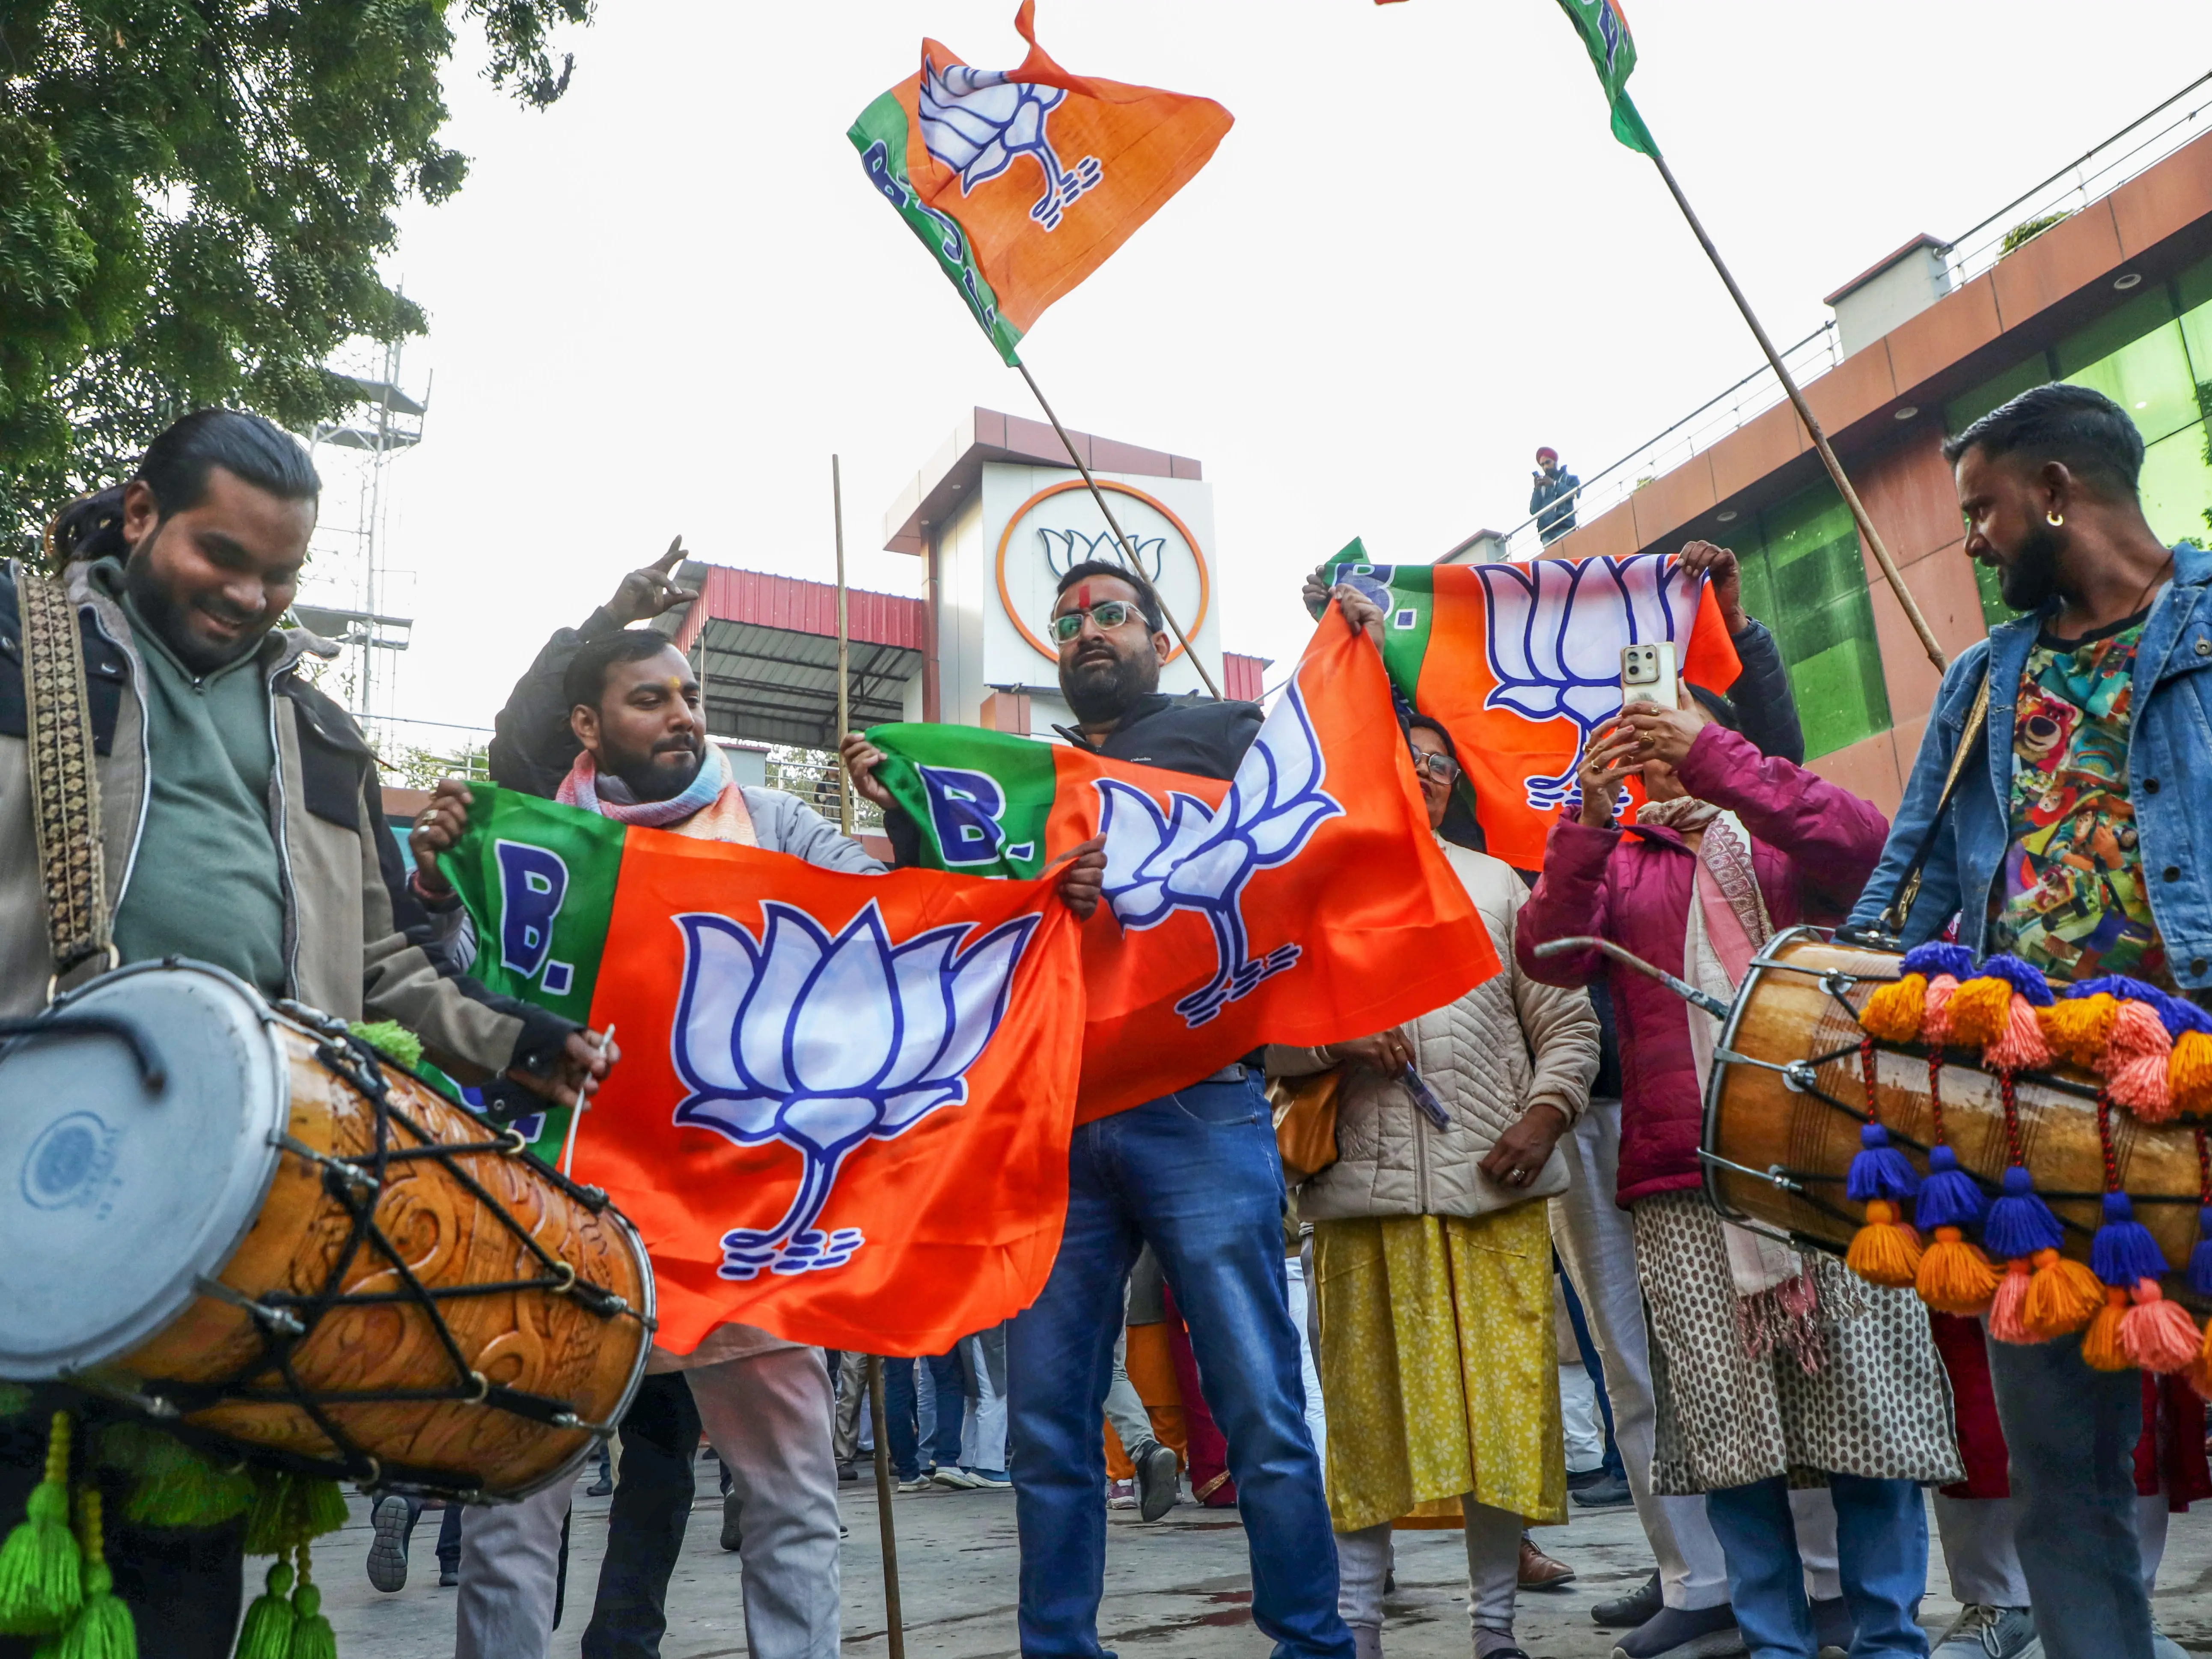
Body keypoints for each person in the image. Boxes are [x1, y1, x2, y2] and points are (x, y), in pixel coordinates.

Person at [422, 547, 1109, 1659]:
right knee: (514, 1513)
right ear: (589, 727)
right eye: (652, 698)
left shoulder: (778, 824)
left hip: (749, 1226)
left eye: (691, 696)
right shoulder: (533, 839)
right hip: (567, 1220)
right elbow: (445, 969)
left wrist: (1020, 889)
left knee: (793, 1503)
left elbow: (900, 931)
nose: (683, 715)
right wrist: (429, 875)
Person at [0, 409, 609, 1659]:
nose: (250, 592)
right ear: (137, 517)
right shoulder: (18, 643)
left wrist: (507, 1040)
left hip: (240, 1202)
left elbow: (382, 961)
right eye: (220, 554)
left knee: (181, 1579)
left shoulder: (322, 733)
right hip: (33, 1160)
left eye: (280, 571)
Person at [844, 557, 1358, 1659]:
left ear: (1159, 636)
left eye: (1111, 614)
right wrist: (907, 816)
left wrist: (1345, 638)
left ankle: (1312, 1640)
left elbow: (1307, 830)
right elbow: (961, 921)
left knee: (1262, 1401)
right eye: (1069, 620)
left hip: (1199, 1105)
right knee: (1045, 1426)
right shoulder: (1018, 780)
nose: (1088, 631)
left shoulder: (1225, 733)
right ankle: (1057, 1646)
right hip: (1057, 1119)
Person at [1843, 381, 2212, 1659]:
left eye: (1984, 508)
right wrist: (1858, 988)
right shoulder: (1981, 679)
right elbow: (1915, 887)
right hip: (2034, 1126)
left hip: (2206, 1091)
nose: (1972, 540)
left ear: (2056, 492)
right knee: (2063, 1478)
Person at [1519, 684, 1960, 1659]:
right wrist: (1585, 825)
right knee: (1732, 1439)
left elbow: (1863, 844)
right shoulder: (1620, 861)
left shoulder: (1781, 832)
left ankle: (1889, 1637)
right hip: (1686, 1180)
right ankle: (1774, 1643)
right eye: (1639, 732)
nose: (1653, 742)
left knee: (1870, 1419)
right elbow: (1545, 953)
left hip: (1832, 1165)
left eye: (1673, 722)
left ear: (1720, 734)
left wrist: (1721, 758)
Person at [1269, 712, 1601, 1659]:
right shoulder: (1319, 891)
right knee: (1368, 1438)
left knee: (1500, 1427)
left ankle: (1493, 1629)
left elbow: (1570, 1027)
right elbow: (1266, 1033)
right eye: (1407, 762)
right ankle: (1359, 1630)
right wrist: (1337, 1035)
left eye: (1441, 768)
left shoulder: (1501, 885)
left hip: (1492, 1199)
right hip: (1357, 1209)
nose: (1426, 777)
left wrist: (1542, 1115)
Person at [1531, 448, 1580, 546]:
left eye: (1548, 463)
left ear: (1555, 462)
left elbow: (1576, 493)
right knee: (1552, 561)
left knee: (1568, 558)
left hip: (1564, 528)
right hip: (1547, 534)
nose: (1545, 467)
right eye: (1543, 465)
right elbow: (1534, 510)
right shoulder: (1542, 487)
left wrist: (1554, 484)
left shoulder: (1570, 479)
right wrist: (1537, 490)